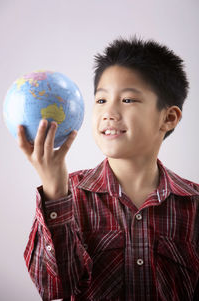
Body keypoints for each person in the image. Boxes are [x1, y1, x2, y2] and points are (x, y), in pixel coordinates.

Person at [18, 38, 199, 301]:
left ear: (168, 118)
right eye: (101, 100)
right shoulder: (69, 197)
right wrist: (55, 191)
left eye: (127, 99)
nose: (109, 112)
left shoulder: (193, 204)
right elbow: (52, 288)